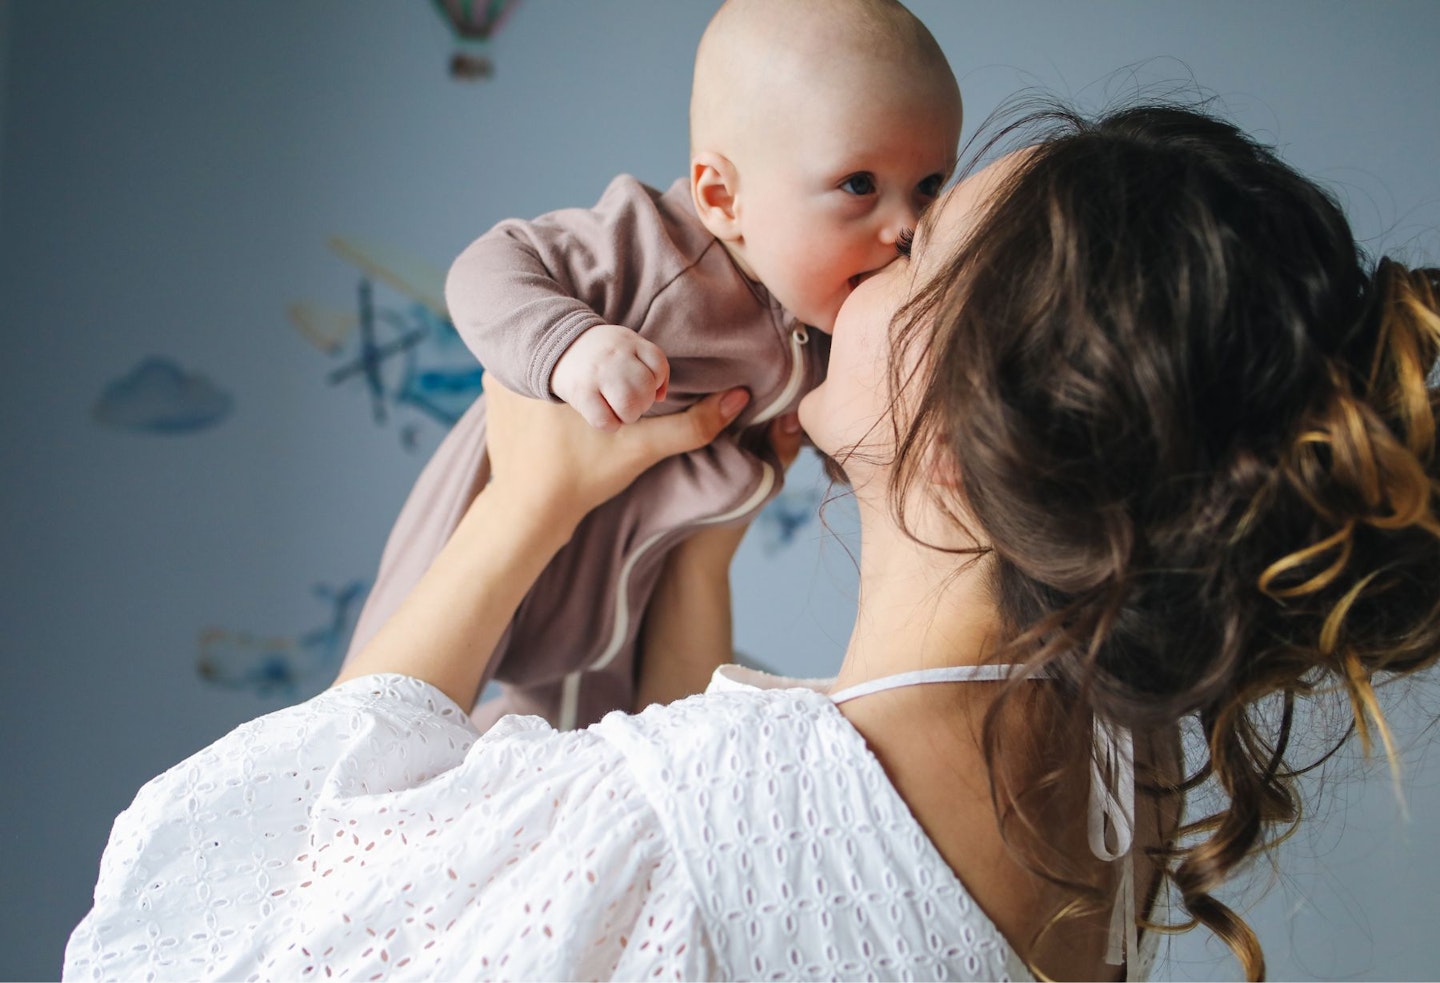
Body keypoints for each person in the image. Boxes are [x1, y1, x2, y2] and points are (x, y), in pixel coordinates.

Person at [63, 102, 1440, 981]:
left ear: (964, 441)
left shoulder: (699, 813)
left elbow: (233, 909)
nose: (869, 256)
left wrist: (525, 500)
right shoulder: (1107, 785)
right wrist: (701, 563)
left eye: (920, 248)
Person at [342, 0, 964, 732]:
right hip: (495, 518)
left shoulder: (828, 314)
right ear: (722, 198)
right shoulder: (653, 248)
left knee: (588, 743)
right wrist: (571, 344)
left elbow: (857, 438)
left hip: (628, 583)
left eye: (929, 185)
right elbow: (488, 265)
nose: (906, 228)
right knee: (386, 725)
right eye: (860, 184)